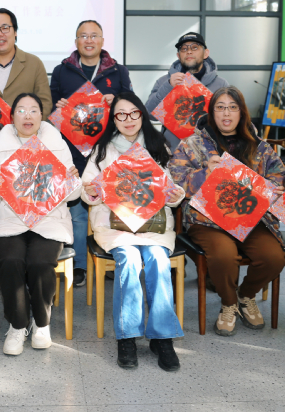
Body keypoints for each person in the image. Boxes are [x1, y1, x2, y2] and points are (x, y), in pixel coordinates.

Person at [168, 86, 285, 336]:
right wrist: (205, 174)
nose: (226, 113)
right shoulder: (191, 144)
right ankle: (229, 303)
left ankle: (245, 295)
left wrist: (275, 189)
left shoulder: (259, 146)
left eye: (233, 107)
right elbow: (175, 181)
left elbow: (279, 176)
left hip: (252, 218)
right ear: (211, 112)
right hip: (207, 220)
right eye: (220, 107)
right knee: (224, 255)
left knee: (274, 257)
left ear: (242, 112)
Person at [81, 91, 184, 371]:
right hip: (115, 225)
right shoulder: (102, 150)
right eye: (121, 114)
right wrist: (92, 191)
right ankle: (127, 337)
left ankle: (162, 338)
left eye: (134, 113)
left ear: (142, 114)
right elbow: (87, 190)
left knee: (158, 260)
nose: (128, 119)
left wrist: (174, 195)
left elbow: (171, 189)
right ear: (113, 119)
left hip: (153, 225)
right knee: (128, 260)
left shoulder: (157, 145)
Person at [0, 93, 80, 355]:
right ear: (12, 116)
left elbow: (72, 197)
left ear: (42, 116)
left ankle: (42, 323)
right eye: (21, 110)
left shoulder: (57, 145)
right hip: (10, 218)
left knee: (40, 261)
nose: (27, 115)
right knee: (11, 259)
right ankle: (17, 324)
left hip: (49, 219)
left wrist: (72, 181)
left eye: (33, 110)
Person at [50, 19, 133, 288]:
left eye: (94, 35)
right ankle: (79, 265)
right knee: (77, 212)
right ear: (76, 41)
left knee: (112, 204)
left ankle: (113, 257)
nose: (89, 40)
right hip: (73, 149)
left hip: (109, 149)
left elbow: (132, 106)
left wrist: (117, 101)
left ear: (102, 41)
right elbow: (50, 111)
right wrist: (58, 107)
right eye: (83, 36)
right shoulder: (61, 71)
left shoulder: (118, 71)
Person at [145, 32, 230, 151]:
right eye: (184, 49)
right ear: (178, 55)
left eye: (194, 47)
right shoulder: (164, 82)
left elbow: (229, 119)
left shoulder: (221, 84)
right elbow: (149, 115)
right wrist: (168, 87)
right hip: (173, 152)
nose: (189, 51)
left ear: (206, 53)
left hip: (210, 152)